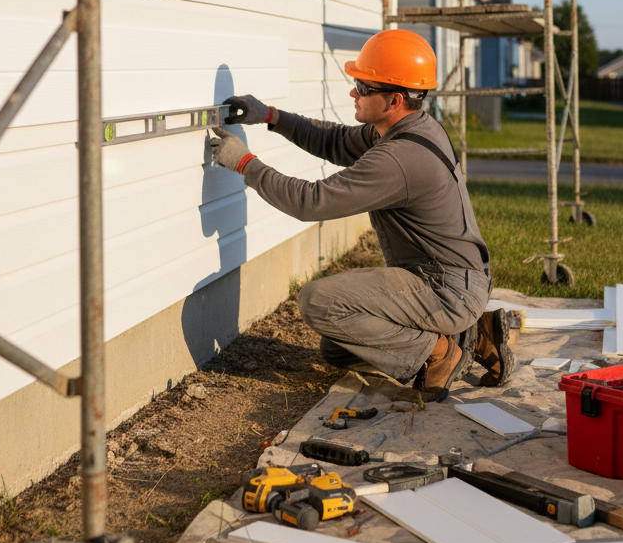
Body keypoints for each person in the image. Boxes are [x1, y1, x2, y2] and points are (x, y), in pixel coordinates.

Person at [208, 29, 513, 402]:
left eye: (363, 87)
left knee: (318, 302)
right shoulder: (407, 127)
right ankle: (474, 334)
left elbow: (311, 202)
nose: (354, 92)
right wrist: (271, 116)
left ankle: (441, 352)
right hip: (452, 280)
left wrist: (245, 164)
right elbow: (334, 141)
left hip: (445, 288)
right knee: (336, 349)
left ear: (394, 99)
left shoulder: (399, 158)